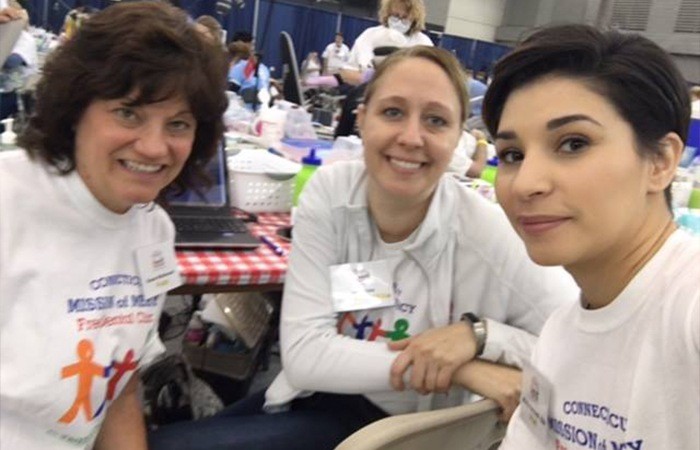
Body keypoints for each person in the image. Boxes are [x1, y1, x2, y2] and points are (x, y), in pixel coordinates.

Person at [149, 45, 578, 450]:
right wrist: (462, 368)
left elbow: (578, 342)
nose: (411, 137)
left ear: (457, 141)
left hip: (391, 428)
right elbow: (303, 355)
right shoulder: (333, 194)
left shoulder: (486, 235)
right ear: (362, 119)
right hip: (315, 392)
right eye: (393, 112)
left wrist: (481, 336)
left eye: (436, 120)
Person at [0, 2, 228, 449]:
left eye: (178, 124)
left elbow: (119, 385)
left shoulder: (153, 230)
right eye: (129, 113)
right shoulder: (10, 205)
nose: (154, 146)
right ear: (75, 108)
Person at [480, 25, 699, 449]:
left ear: (660, 162)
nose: (526, 183)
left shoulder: (687, 308)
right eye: (512, 155)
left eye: (573, 143)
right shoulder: (560, 336)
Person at [340, 0, 432, 85]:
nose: (399, 22)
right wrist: (371, 79)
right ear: (387, 14)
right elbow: (347, 72)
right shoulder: (370, 35)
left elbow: (429, 80)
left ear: (414, 19)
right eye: (395, 16)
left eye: (405, 18)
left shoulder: (423, 43)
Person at [227, 31, 270, 110]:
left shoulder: (239, 68)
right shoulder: (263, 68)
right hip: (262, 112)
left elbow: (230, 93)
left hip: (243, 113)